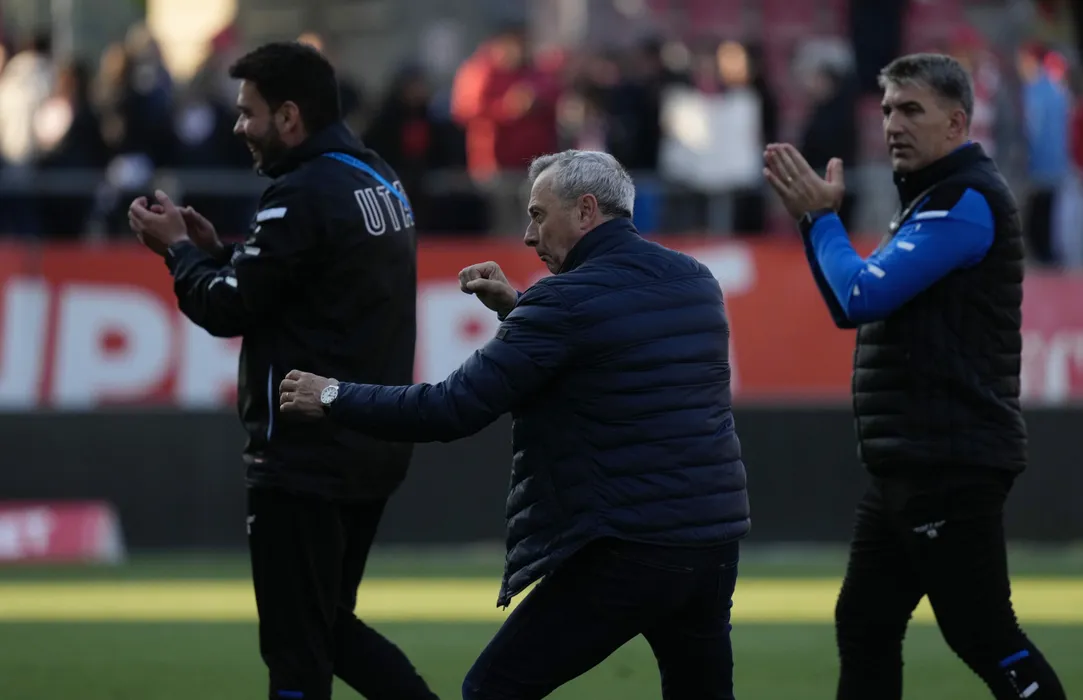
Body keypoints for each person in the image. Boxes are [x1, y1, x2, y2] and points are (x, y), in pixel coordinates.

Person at [278, 149, 750, 699]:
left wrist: (332, 395)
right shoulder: (695, 280)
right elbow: (612, 347)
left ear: (586, 211)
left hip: (627, 547)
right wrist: (519, 308)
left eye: (538, 215)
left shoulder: (563, 302)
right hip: (712, 542)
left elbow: (451, 407)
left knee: (491, 690)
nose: (528, 236)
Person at [127, 41, 437, 700]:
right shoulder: (375, 176)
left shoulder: (302, 192)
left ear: (290, 116)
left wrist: (177, 253)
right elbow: (308, 284)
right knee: (328, 628)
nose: (240, 127)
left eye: (249, 113)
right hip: (371, 437)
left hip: (304, 452)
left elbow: (227, 308)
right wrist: (222, 254)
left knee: (297, 648)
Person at [762, 53, 1066, 700]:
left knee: (982, 634)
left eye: (910, 110)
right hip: (914, 458)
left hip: (947, 458)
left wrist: (819, 219)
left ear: (956, 122)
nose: (892, 125)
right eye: (886, 110)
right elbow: (857, 297)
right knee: (865, 623)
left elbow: (860, 296)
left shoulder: (964, 202)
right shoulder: (932, 199)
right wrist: (818, 222)